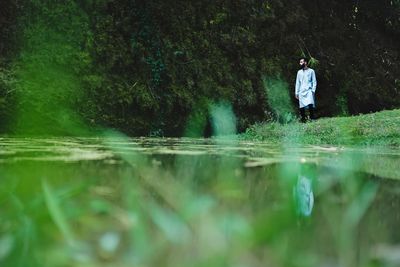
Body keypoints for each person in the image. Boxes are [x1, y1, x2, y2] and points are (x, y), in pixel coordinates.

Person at [295, 57, 317, 122]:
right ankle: (303, 119)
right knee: (301, 106)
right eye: (300, 62)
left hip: (309, 90)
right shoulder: (299, 72)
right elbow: (297, 83)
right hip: (301, 91)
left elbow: (314, 81)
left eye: (301, 62)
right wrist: (296, 92)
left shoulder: (311, 71)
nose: (300, 63)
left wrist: (313, 90)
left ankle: (312, 118)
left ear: (305, 62)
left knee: (310, 103)